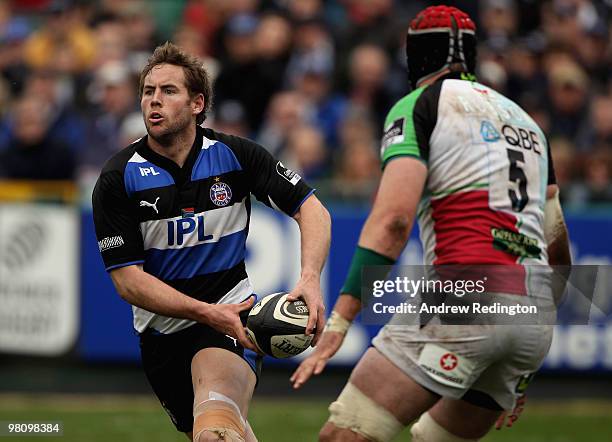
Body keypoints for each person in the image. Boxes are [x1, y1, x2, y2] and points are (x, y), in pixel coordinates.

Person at [292, 5, 571, 442]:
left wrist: (342, 321)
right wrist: (527, 345)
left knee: (345, 436)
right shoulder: (528, 123)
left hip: (468, 293)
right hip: (533, 313)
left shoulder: (421, 104)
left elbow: (394, 222)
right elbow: (557, 250)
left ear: (416, 55)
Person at [92, 42, 330, 442]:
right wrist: (203, 312)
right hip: (161, 338)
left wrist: (310, 277)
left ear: (197, 103)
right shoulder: (118, 178)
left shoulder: (236, 155)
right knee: (226, 434)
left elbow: (312, 208)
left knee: (215, 431)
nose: (154, 100)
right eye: (148, 91)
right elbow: (127, 281)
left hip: (230, 319)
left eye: (169, 91)